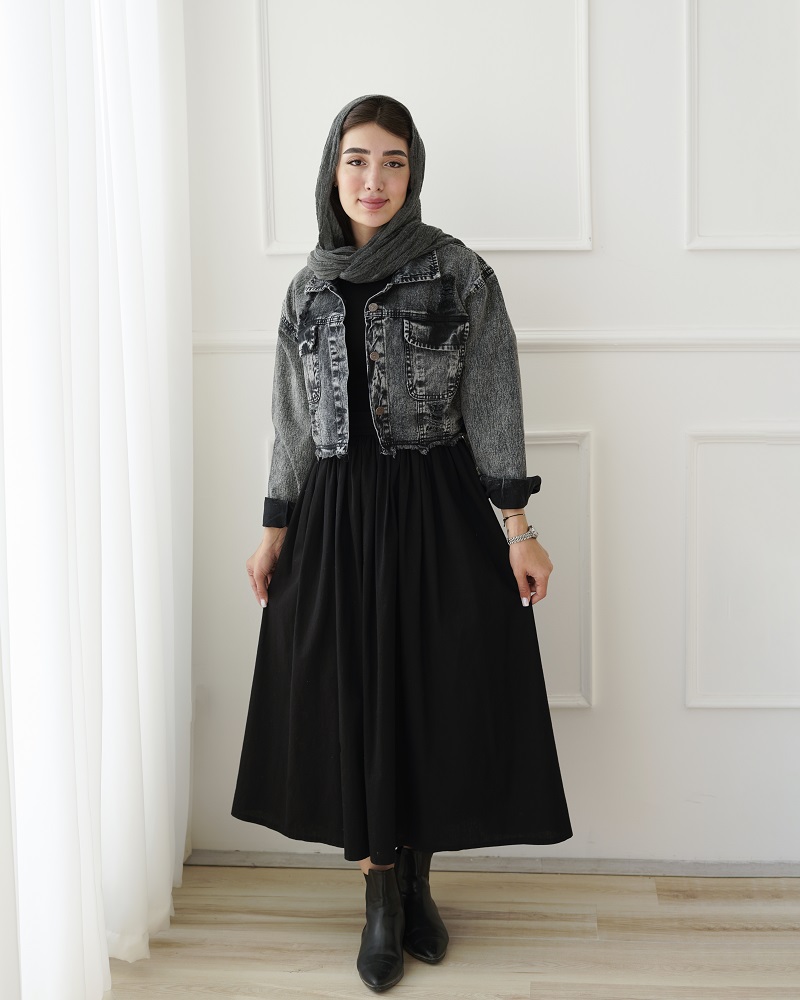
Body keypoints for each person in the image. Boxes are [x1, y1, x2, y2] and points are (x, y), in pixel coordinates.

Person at [232, 94, 572, 993]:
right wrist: (273, 529)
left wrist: (520, 529)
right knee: (353, 697)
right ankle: (380, 895)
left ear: (413, 172)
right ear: (331, 169)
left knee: (434, 690)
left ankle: (419, 882)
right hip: (335, 517)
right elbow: (291, 422)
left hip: (436, 506)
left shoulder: (458, 272)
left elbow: (493, 402)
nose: (373, 179)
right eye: (356, 159)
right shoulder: (306, 287)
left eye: (392, 161)